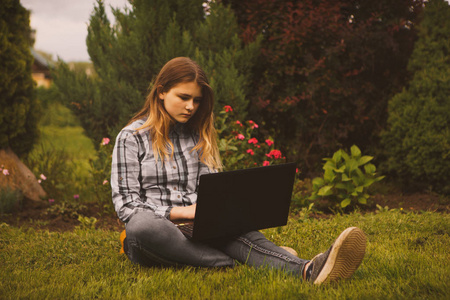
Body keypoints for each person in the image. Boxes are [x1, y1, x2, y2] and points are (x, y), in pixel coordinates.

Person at [111, 57, 366, 284]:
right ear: (161, 92)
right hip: (158, 231)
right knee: (142, 226)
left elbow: (212, 191)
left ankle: (309, 270)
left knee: (235, 229)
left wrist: (216, 210)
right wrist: (180, 212)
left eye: (197, 100)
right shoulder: (132, 137)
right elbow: (126, 205)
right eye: (184, 97)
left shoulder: (199, 135)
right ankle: (255, 259)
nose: (191, 106)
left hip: (199, 227)